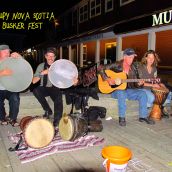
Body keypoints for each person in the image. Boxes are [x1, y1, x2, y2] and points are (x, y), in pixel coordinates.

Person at [99, 48, 155, 126]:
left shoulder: (134, 68)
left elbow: (134, 84)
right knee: (121, 92)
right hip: (115, 91)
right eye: (129, 57)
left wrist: (139, 84)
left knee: (142, 94)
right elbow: (101, 68)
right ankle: (122, 117)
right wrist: (108, 79)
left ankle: (143, 116)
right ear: (124, 57)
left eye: (132, 57)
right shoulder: (117, 64)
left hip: (128, 91)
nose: (131, 59)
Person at [32, 48, 78, 127]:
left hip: (55, 88)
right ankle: (47, 110)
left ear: (55, 57)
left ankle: (57, 122)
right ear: (45, 56)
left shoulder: (60, 67)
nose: (50, 58)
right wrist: (43, 73)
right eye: (49, 56)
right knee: (36, 90)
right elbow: (33, 81)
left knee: (58, 99)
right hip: (44, 87)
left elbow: (70, 81)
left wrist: (75, 83)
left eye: (52, 56)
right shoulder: (41, 66)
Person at [138, 50, 172, 117]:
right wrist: (153, 85)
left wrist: (160, 84)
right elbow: (140, 83)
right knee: (152, 97)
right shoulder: (140, 68)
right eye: (149, 58)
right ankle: (146, 112)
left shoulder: (154, 69)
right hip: (142, 88)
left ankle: (161, 108)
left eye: (153, 58)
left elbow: (154, 79)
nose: (151, 60)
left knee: (169, 93)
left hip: (152, 87)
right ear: (146, 58)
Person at [0, 44, 21, 126]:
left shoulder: (12, 61)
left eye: (8, 52)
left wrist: (20, 57)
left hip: (11, 88)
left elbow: (24, 67)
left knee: (15, 98)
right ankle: (2, 118)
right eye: (4, 52)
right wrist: (2, 73)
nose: (7, 54)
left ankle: (12, 118)